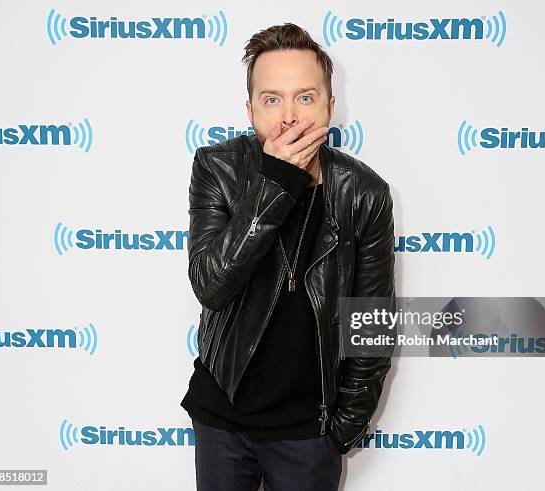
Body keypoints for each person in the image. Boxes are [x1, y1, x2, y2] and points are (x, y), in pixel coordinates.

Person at [180, 22, 397, 491]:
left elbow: (374, 317)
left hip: (308, 432)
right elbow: (211, 285)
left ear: (330, 106)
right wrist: (276, 183)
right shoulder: (216, 169)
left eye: (305, 97)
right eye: (272, 99)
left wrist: (343, 428)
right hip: (221, 418)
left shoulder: (364, 194)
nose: (289, 117)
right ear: (250, 110)